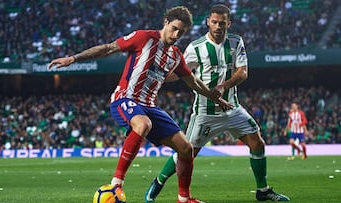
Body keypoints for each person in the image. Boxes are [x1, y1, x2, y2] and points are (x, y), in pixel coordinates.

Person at [48, 6, 232, 203]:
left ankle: (184, 199)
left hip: (149, 106)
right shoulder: (144, 38)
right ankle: (117, 183)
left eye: (182, 32)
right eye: (174, 28)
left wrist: (216, 98)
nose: (176, 35)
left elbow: (193, 82)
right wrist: (73, 58)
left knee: (187, 149)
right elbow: (109, 48)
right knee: (143, 124)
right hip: (124, 98)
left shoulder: (176, 56)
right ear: (166, 22)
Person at [145, 4, 290, 202]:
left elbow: (243, 72)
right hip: (206, 112)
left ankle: (262, 190)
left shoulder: (236, 42)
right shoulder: (196, 47)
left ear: (229, 23)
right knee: (186, 153)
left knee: (257, 143)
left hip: (233, 108)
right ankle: (159, 181)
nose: (218, 26)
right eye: (214, 22)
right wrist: (156, 75)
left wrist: (223, 86)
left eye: (222, 23)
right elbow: (177, 73)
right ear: (208, 22)